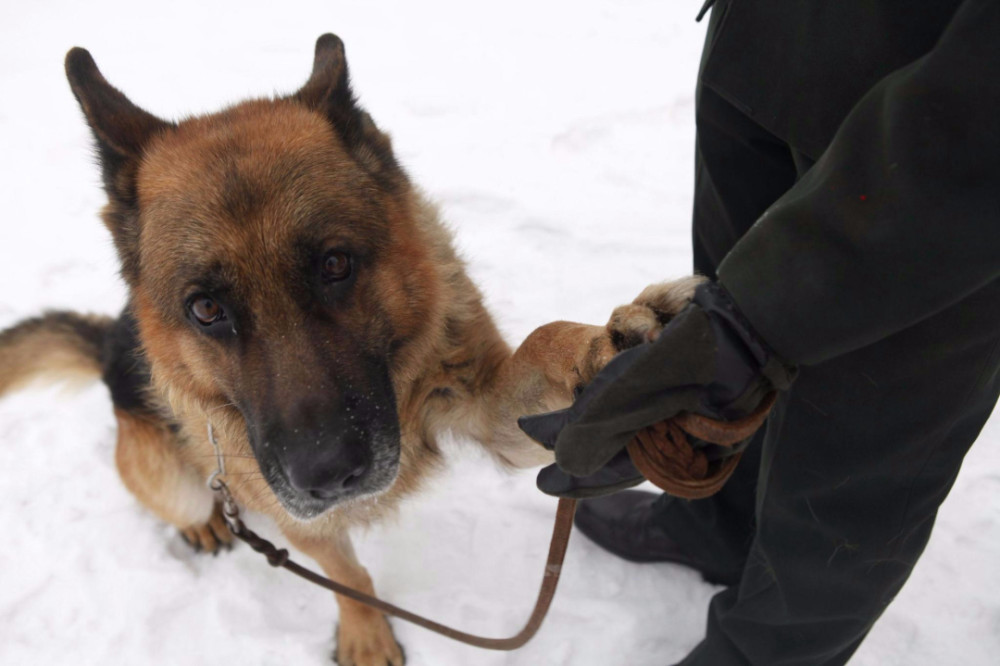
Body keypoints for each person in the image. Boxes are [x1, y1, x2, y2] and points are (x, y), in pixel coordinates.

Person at [518, 0, 1000, 663]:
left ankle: (762, 655)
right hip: (769, 49)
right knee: (727, 313)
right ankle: (720, 519)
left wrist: (751, 325)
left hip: (946, 159)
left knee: (858, 469)